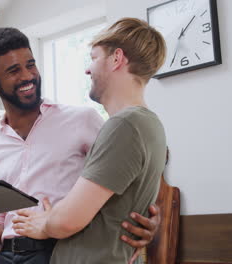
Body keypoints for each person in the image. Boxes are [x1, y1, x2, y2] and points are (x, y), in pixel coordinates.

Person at [0, 26, 160, 264]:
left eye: (30, 65)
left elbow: (128, 170)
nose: (27, 76)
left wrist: (150, 218)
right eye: (13, 70)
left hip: (62, 251)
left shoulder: (83, 120)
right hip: (7, 256)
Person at [12, 18, 167, 264]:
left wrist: (46, 224)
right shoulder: (147, 125)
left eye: (94, 58)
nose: (88, 69)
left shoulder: (124, 125)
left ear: (116, 58)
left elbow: (66, 222)